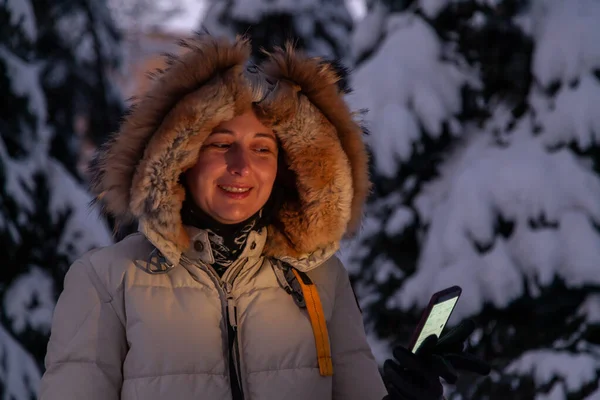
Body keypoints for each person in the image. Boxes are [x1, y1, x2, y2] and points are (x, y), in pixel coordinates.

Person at [39, 34, 489, 400]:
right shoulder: (106, 280)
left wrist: (410, 394)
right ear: (181, 155)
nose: (241, 167)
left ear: (287, 167)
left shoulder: (322, 279)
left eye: (262, 149)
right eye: (220, 145)